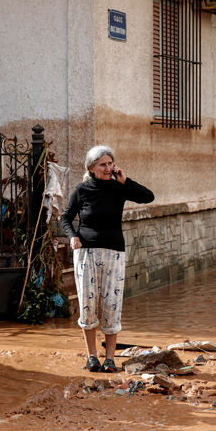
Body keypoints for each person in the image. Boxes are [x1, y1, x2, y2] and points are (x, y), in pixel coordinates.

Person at [61, 145, 154, 373]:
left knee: (112, 306)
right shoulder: (82, 190)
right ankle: (92, 356)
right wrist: (72, 237)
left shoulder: (119, 188)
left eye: (110, 163)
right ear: (91, 168)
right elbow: (65, 217)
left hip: (114, 253)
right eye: (102, 164)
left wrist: (125, 181)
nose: (108, 168)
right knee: (88, 306)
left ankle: (110, 359)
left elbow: (148, 197)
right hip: (86, 253)